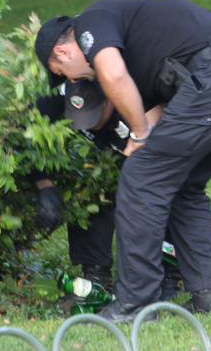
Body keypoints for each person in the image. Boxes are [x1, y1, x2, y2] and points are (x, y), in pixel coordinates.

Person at [35, 0, 211, 322]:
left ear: (61, 52)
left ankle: (135, 303)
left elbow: (114, 76)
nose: (73, 81)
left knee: (140, 179)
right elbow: (167, 104)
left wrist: (140, 133)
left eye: (62, 71)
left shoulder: (91, 22)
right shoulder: (139, 43)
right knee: (184, 184)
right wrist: (143, 134)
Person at [31, 80, 183, 312]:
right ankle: (96, 276)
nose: (88, 126)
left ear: (109, 100)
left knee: (157, 198)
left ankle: (171, 272)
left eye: (94, 116)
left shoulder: (136, 97)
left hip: (152, 149)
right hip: (105, 159)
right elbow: (23, 135)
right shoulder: (56, 98)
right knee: (89, 188)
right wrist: (43, 183)